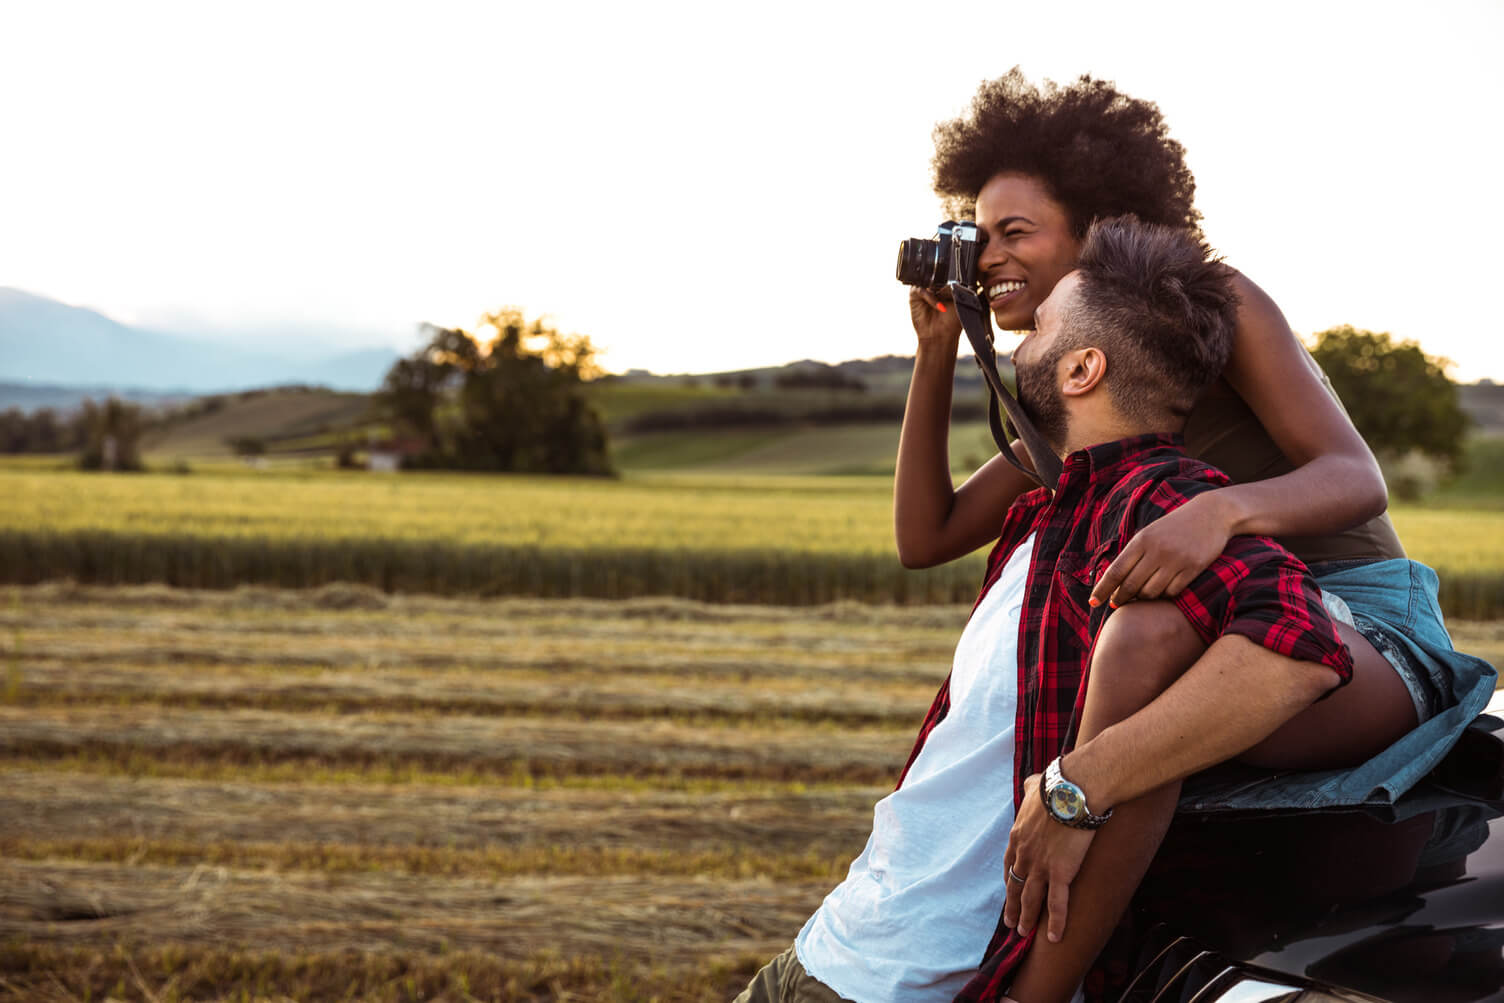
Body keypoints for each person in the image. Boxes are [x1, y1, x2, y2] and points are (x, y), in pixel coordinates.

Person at [889, 71, 1494, 1002]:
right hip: (1210, 628)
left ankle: (1038, 989)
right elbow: (927, 534)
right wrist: (936, 352)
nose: (988, 254)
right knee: (1107, 653)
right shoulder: (1072, 385)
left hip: (1356, 628)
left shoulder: (1210, 303)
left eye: (1016, 232)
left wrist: (1219, 511)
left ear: (1095, 225)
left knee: (1147, 631)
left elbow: (1352, 475)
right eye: (978, 231)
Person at [739, 217, 1368, 1003]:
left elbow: (1301, 644)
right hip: (837, 943)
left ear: (1082, 368)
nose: (1017, 340)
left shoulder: (1157, 504)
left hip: (908, 982)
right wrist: (938, 344)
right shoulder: (1057, 507)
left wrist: (1076, 784)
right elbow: (925, 533)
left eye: (1037, 327)